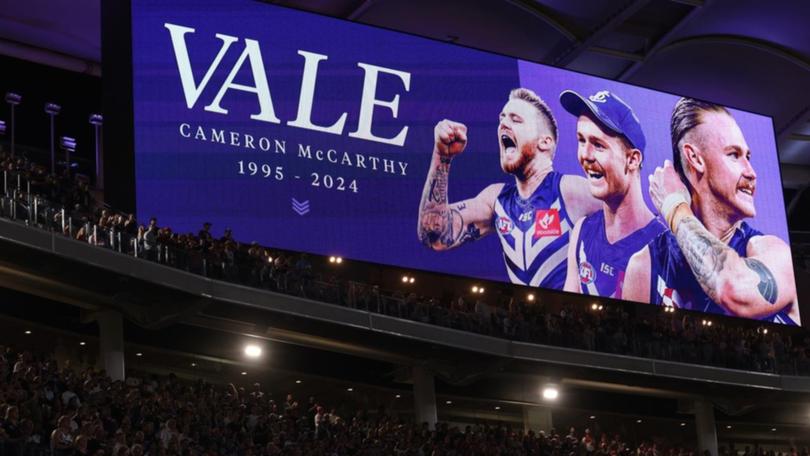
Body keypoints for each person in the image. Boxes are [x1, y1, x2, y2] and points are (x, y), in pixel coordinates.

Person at [623, 98, 800, 325]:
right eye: (734, 155)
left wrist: (674, 206)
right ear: (695, 159)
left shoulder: (772, 252)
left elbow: (732, 289)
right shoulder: (645, 264)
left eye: (748, 157)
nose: (751, 172)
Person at [417, 88, 600, 289]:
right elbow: (434, 235)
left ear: (544, 142)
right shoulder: (497, 200)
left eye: (516, 119)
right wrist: (442, 156)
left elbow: (633, 230)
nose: (503, 123)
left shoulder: (571, 190)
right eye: (502, 118)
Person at [560, 89, 665, 298]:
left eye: (598, 145)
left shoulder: (663, 246)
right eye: (581, 140)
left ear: (632, 160)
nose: (585, 155)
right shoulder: (582, 230)